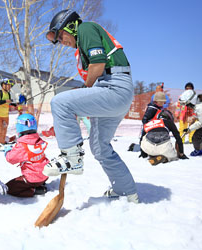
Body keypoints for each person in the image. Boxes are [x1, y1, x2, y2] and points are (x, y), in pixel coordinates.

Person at [44, 10, 138, 203]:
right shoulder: (82, 43)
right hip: (113, 91)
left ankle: (71, 158)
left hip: (114, 87)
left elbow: (98, 64)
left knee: (60, 102)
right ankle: (126, 192)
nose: (62, 42)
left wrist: (85, 88)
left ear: (70, 26)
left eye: (61, 36)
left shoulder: (85, 28)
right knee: (100, 148)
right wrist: (86, 91)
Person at [4, 114, 49, 197]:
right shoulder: (39, 140)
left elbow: (10, 159)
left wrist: (7, 151)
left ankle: (34, 190)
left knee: (8, 187)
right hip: (45, 174)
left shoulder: (22, 145)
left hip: (32, 179)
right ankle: (39, 183)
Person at [138, 92, 167, 158]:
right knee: (145, 140)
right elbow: (145, 118)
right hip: (148, 128)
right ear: (157, 101)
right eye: (162, 102)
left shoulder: (158, 108)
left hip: (154, 128)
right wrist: (147, 127)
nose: (164, 103)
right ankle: (143, 154)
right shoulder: (152, 108)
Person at [0, 78, 17, 151]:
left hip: (5, 115)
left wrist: (14, 104)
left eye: (10, 86)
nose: (9, 87)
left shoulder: (8, 94)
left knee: (4, 130)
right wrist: (6, 101)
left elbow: (7, 103)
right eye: (7, 85)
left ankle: (2, 143)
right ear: (3, 85)